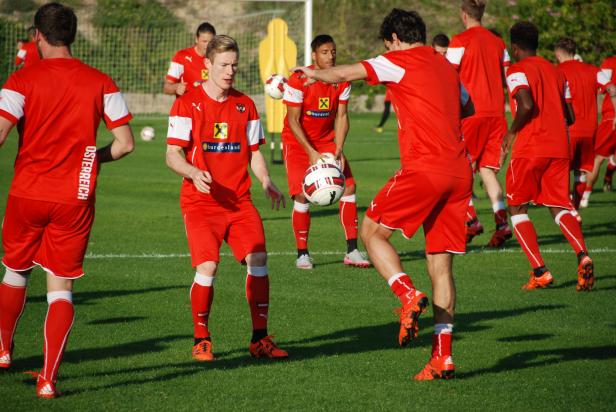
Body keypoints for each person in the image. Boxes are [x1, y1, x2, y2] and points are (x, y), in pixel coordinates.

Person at [294, 8, 474, 380]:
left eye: (387, 43)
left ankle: (407, 294)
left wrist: (309, 73)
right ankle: (442, 357)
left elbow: (344, 73)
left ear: (393, 38)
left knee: (372, 233)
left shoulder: (397, 60)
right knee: (441, 264)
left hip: (425, 168)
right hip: (460, 172)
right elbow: (467, 105)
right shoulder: (446, 66)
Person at [0, 2, 134, 398]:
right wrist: (93, 158)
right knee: (61, 289)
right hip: (75, 196)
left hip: (27, 191)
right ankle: (47, 380)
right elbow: (125, 145)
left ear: (37, 36)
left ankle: (4, 350)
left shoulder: (21, 79)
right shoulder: (101, 81)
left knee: (14, 272)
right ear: (72, 35)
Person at [166, 35, 288, 362]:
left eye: (234, 65)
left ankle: (259, 338)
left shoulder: (245, 104)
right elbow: (172, 155)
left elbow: (254, 153)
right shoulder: (186, 103)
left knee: (259, 260)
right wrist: (192, 172)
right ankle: (201, 338)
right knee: (208, 266)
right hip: (201, 203)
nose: (230, 71)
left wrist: (266, 181)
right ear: (207, 65)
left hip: (239, 203)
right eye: (223, 64)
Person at [503, 21, 596, 292]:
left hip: (531, 147)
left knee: (517, 207)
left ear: (515, 47)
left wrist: (511, 132)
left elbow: (527, 103)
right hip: (559, 147)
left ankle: (540, 271)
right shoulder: (557, 72)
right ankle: (583, 254)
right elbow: (570, 115)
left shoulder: (516, 70)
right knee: (559, 205)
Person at [282, 34, 370, 270]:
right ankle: (302, 253)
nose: (330, 56)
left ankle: (352, 250)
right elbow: (292, 120)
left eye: (332, 52)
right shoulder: (298, 79)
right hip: (297, 142)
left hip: (327, 141)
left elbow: (342, 116)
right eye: (324, 52)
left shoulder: (342, 79)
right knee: (302, 195)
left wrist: (339, 148)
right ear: (313, 55)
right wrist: (310, 152)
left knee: (349, 186)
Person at [446, 0, 512, 247]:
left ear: (464, 14)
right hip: (496, 115)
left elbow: (448, 77)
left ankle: (471, 220)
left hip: (471, 114)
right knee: (487, 171)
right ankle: (502, 224)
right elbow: (508, 76)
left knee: (460, 168)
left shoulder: (459, 41)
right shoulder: (499, 43)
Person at [554, 38, 616, 212]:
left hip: (567, 130)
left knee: (559, 171)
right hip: (590, 131)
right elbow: (612, 89)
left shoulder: (557, 71)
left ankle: (570, 211)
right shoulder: (593, 70)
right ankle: (576, 210)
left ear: (558, 53)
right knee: (580, 173)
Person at [584, 55, 616, 199]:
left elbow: (604, 87)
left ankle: (585, 195)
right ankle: (609, 174)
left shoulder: (610, 62)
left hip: (612, 115)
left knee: (597, 157)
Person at [164, 22, 216, 97]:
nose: (207, 45)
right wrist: (176, 87)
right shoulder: (181, 56)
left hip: (209, 107)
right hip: (188, 107)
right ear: (196, 39)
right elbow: (167, 87)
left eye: (210, 42)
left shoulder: (217, 59)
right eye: (204, 41)